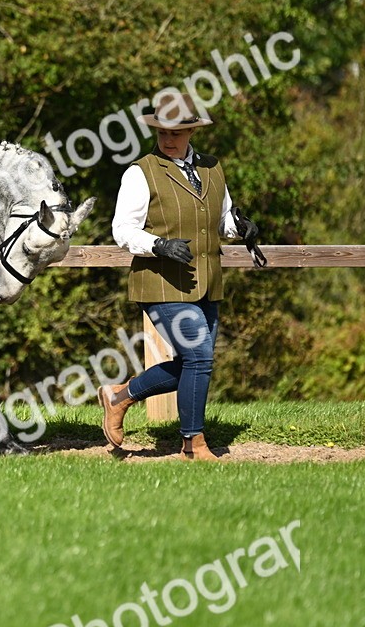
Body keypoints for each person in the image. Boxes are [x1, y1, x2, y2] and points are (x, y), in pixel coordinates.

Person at [101, 93, 259, 461]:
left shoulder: (212, 168)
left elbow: (222, 220)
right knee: (199, 356)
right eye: (162, 132)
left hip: (207, 280)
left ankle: (119, 396)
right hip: (160, 282)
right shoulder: (140, 172)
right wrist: (158, 245)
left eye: (176, 132)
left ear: (191, 130)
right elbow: (122, 228)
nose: (168, 139)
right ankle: (193, 443)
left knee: (195, 362)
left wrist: (242, 228)